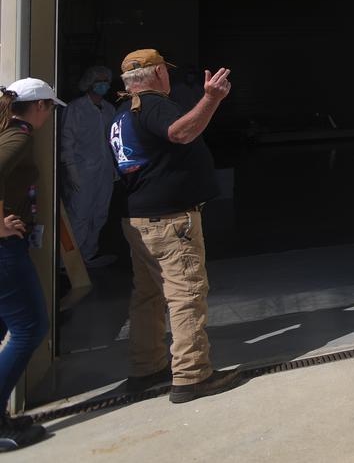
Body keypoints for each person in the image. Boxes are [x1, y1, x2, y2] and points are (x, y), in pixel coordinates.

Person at [110, 48, 241, 403]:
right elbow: (181, 133)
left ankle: (145, 367)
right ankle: (192, 375)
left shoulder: (124, 113)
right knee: (185, 294)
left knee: (148, 296)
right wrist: (211, 99)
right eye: (164, 71)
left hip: (140, 220)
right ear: (155, 74)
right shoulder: (153, 104)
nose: (168, 76)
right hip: (169, 220)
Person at [0, 79, 64, 450]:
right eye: (51, 107)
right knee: (29, 328)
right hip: (4, 250)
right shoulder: (19, 137)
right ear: (39, 106)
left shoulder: (10, 130)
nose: (51, 114)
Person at [59, 65, 118, 267]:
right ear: (88, 83)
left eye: (106, 81)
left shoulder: (110, 110)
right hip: (81, 171)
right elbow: (66, 142)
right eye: (98, 81)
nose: (103, 85)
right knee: (79, 215)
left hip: (104, 172)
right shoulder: (75, 108)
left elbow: (113, 142)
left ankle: (87, 255)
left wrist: (114, 169)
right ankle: (67, 262)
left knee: (100, 214)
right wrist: (71, 171)